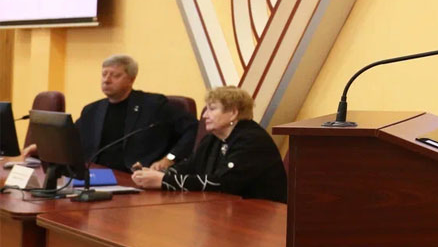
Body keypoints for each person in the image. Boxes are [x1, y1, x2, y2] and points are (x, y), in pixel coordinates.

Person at [131, 86, 287, 203]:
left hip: (260, 216)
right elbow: (190, 167)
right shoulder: (213, 139)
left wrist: (164, 181)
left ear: (233, 113)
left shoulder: (251, 140)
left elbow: (223, 183)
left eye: (212, 109)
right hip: (224, 209)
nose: (205, 115)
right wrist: (155, 173)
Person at [75, 55, 198, 172]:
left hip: (136, 175)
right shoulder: (91, 110)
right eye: (104, 74)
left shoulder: (154, 105)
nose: (106, 80)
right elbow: (71, 140)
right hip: (95, 173)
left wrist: (169, 159)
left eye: (115, 75)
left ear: (131, 79)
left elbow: (192, 128)